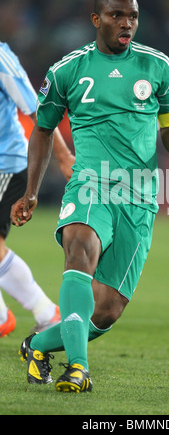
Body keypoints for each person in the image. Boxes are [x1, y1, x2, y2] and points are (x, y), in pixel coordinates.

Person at [11, 0, 169, 393]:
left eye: (132, 16)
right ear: (97, 19)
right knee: (79, 252)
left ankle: (38, 344)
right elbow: (42, 130)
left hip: (139, 196)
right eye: (116, 15)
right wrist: (31, 191)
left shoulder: (158, 67)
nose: (126, 23)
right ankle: (79, 369)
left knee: (107, 310)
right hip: (90, 185)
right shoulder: (68, 70)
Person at [0, 41, 75, 336]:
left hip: (5, 164)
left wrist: (63, 155)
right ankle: (44, 313)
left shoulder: (1, 58)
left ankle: (35, 313)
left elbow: (36, 108)